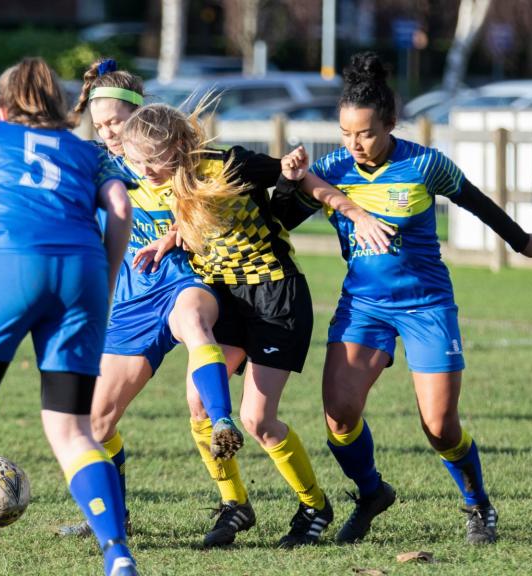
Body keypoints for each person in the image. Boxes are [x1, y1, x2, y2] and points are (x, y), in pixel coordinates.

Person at [0, 57, 247, 547]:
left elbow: (219, 202)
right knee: (95, 421)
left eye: (117, 122)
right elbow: (31, 148)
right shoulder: (101, 162)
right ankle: (118, 517)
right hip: (129, 301)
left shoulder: (171, 155)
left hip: (181, 284)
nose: (109, 132)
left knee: (195, 331)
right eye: (102, 123)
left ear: (140, 118)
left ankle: (228, 452)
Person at [276, 52, 532, 546]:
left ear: (391, 123)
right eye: (345, 133)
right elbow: (284, 219)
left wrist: (520, 239)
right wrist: (290, 182)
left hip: (426, 305)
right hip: (364, 306)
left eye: (365, 133)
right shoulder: (333, 167)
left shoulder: (423, 163)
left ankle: (477, 503)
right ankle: (371, 492)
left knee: (440, 427)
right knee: (339, 414)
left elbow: (476, 201)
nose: (354, 144)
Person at [119, 102, 394, 547]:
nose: (144, 170)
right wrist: (167, 241)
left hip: (274, 297)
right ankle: (235, 506)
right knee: (199, 402)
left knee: (257, 419)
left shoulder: (230, 165)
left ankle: (314, 505)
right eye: (137, 161)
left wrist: (355, 213)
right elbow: (197, 220)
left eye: (151, 159)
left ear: (177, 146)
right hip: (225, 298)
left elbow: (301, 179)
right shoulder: (166, 180)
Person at [0, 57, 138, 576]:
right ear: (62, 104)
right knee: (72, 430)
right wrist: (102, 284)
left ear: (9, 102)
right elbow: (122, 210)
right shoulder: (89, 153)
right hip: (77, 272)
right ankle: (118, 554)